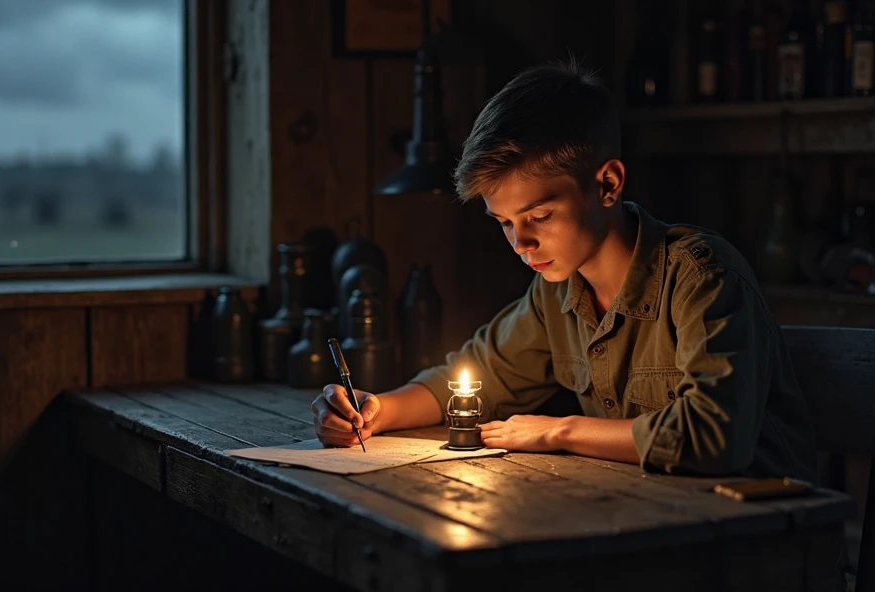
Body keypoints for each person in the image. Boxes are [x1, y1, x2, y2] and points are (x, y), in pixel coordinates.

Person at [311, 58, 817, 480]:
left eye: (539, 216)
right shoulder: (556, 293)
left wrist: (560, 430)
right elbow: (470, 375)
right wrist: (375, 411)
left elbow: (713, 436)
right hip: (650, 519)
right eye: (504, 223)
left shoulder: (701, 278)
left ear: (608, 185)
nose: (520, 242)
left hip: (762, 537)